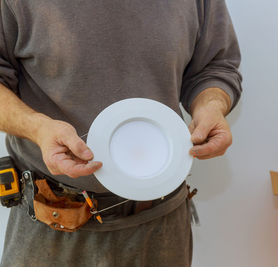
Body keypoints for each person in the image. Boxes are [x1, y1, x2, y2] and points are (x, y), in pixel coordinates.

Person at [0, 0, 242, 266]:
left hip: (162, 227)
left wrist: (210, 105)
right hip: (52, 223)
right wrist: (37, 128)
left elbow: (214, 67)